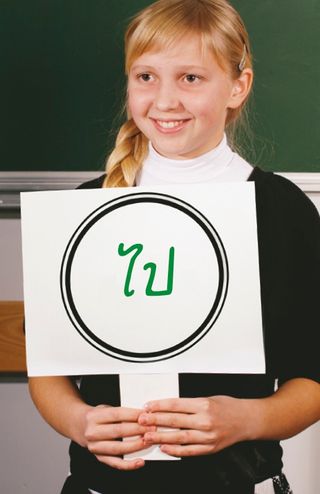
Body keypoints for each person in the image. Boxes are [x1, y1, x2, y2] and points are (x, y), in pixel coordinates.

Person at [28, 1, 320, 493]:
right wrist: (79, 422)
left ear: (237, 86)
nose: (164, 100)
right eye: (145, 76)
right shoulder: (87, 210)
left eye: (190, 78)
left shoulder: (281, 211)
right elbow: (48, 372)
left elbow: (312, 380)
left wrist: (246, 419)